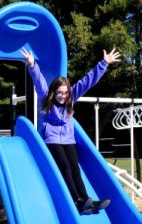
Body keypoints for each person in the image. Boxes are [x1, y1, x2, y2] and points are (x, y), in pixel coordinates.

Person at [20, 47, 122, 214]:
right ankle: (77, 200)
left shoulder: (71, 98)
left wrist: (104, 63)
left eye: (65, 93)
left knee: (75, 168)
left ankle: (87, 200)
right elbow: (39, 81)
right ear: (54, 92)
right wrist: (32, 65)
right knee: (66, 167)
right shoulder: (46, 98)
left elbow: (88, 81)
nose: (63, 96)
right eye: (60, 93)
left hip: (68, 139)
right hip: (51, 140)